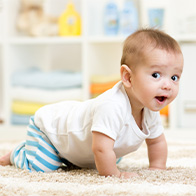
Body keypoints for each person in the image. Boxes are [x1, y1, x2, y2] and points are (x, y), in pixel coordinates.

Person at [0, 28, 184, 179]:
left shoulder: (149, 108)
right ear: (128, 77)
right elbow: (100, 148)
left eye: (174, 77)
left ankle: (71, 157)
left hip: (79, 149)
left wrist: (158, 168)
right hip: (50, 132)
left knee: (110, 156)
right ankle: (18, 153)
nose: (167, 85)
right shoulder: (112, 105)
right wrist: (115, 175)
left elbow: (156, 142)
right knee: (44, 167)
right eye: (156, 75)